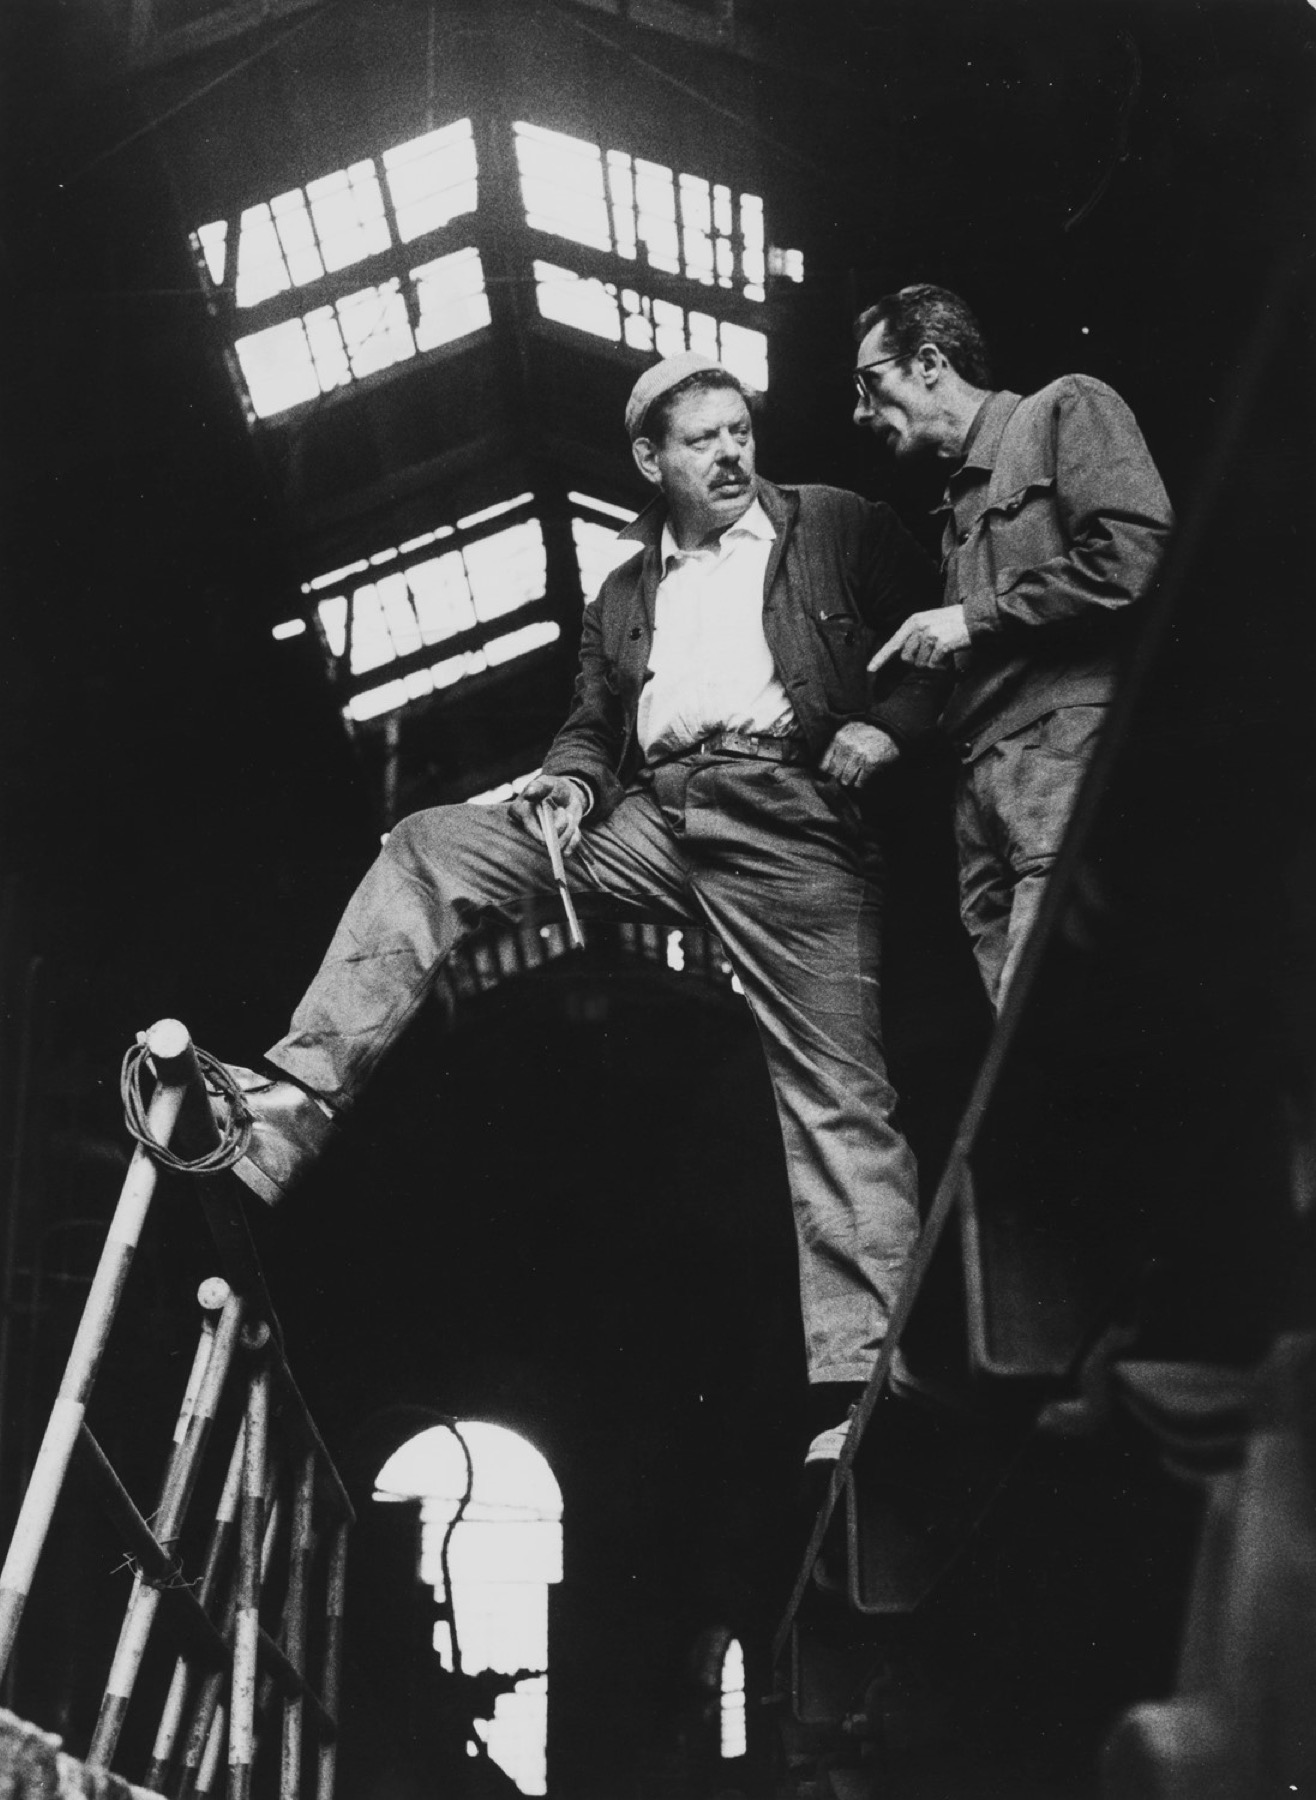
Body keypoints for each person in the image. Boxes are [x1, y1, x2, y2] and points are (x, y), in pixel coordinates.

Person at [215, 352, 946, 1454]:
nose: (731, 454)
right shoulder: (623, 593)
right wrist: (566, 785)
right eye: (702, 440)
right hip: (656, 817)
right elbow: (594, 726)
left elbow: (939, 622)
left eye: (740, 431)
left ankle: (868, 1391)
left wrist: (889, 725)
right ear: (650, 460)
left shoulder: (835, 525)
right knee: (433, 845)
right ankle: (293, 1105)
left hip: (791, 819)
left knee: (836, 1093)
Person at [853, 284, 1174, 1010]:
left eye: (869, 384)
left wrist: (973, 618)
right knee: (1020, 1037)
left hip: (1056, 761)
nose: (860, 413)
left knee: (1052, 1015)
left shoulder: (1065, 408)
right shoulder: (954, 512)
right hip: (980, 796)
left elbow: (1133, 556)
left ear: (929, 363)